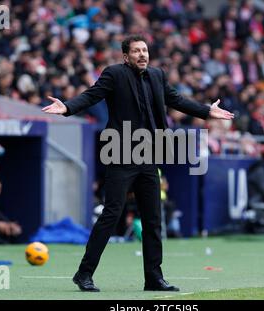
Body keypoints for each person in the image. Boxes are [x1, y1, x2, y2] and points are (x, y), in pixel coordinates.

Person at [42, 35, 234, 292]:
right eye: (136, 51)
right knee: (111, 214)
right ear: (125, 56)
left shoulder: (157, 75)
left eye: (144, 50)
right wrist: (66, 108)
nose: (142, 54)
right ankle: (84, 274)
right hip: (120, 154)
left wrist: (206, 111)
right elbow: (92, 95)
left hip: (150, 156)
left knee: (154, 219)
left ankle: (153, 278)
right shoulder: (114, 74)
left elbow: (176, 100)